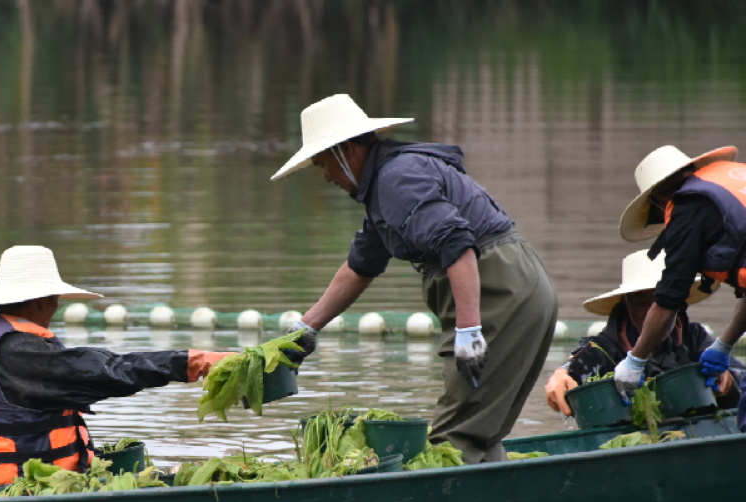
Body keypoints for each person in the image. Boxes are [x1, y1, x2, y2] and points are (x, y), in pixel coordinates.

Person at [271, 94, 558, 464]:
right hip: (520, 283)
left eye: (324, 163)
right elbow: (360, 267)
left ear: (345, 151)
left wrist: (470, 332)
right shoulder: (384, 186)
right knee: (482, 430)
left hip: (499, 290)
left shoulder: (395, 179)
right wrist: (304, 329)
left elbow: (457, 244)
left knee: (454, 438)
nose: (326, 176)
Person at [0, 246, 231, 484]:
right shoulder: (17, 352)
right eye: (55, 299)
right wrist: (192, 362)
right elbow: (108, 371)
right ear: (44, 300)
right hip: (20, 490)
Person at [612, 145, 746, 407]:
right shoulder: (731, 184)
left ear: (657, 199)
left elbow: (667, 302)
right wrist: (724, 345)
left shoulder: (688, 208)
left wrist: (635, 360)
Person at [545, 250, 742, 416]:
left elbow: (740, 381)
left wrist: (726, 383)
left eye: (660, 303)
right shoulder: (603, 349)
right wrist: (562, 375)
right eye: (640, 302)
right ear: (626, 303)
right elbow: (576, 366)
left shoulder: (695, 338)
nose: (651, 314)